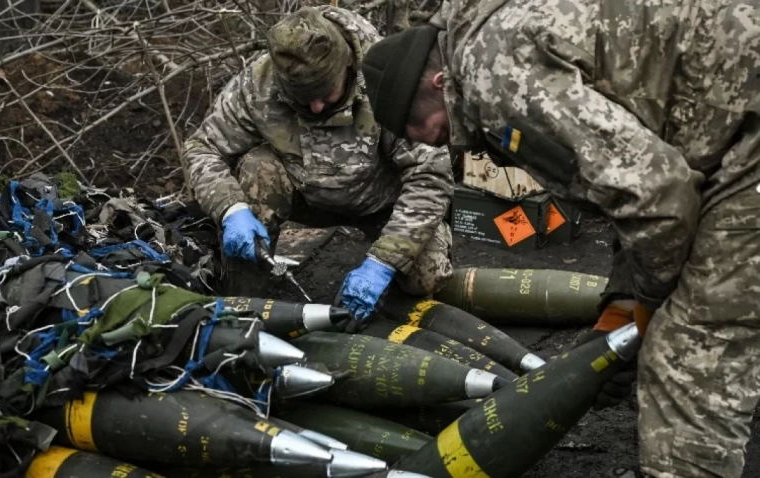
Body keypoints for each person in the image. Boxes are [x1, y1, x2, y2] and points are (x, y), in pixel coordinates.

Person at [358, 1, 760, 477]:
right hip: (728, 118)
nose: (427, 142)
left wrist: (652, 306)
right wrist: (621, 305)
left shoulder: (494, 77)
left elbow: (658, 198)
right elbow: (625, 191)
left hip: (743, 137)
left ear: (437, 83)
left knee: (686, 361)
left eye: (414, 126)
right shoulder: (491, 42)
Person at [184, 6, 455, 321]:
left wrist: (383, 263)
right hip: (305, 195)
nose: (315, 107)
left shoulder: (387, 78)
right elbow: (201, 147)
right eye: (302, 97)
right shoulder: (258, 83)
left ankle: (386, 306)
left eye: (325, 93)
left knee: (426, 275)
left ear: (348, 64)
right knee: (259, 168)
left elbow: (430, 177)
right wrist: (231, 209)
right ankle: (244, 306)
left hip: (383, 204)